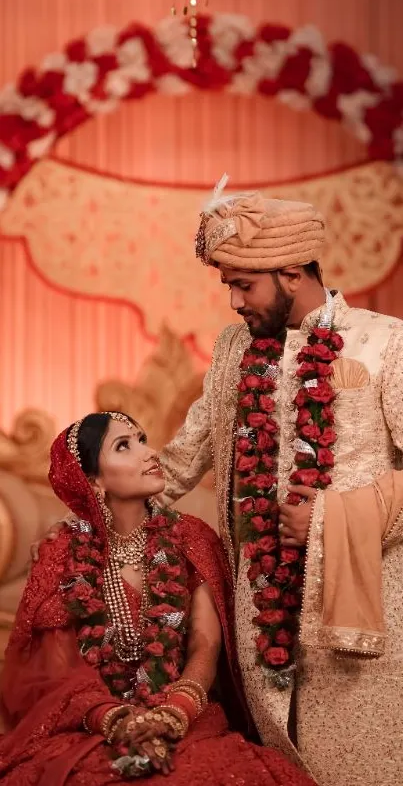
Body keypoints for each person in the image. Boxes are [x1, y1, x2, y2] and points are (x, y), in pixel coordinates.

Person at [32, 185, 403, 786]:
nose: (232, 300)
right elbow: (180, 461)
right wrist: (88, 528)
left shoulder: (385, 343)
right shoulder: (234, 351)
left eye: (243, 284)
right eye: (225, 284)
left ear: (290, 271)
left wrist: (334, 518)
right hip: (261, 622)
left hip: (365, 628)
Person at [0, 411, 317, 786]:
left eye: (143, 439)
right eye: (124, 446)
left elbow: (205, 641)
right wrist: (117, 720)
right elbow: (59, 671)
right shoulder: (63, 553)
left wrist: (174, 712)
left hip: (186, 714)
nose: (149, 454)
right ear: (93, 482)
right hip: (95, 724)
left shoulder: (191, 538)